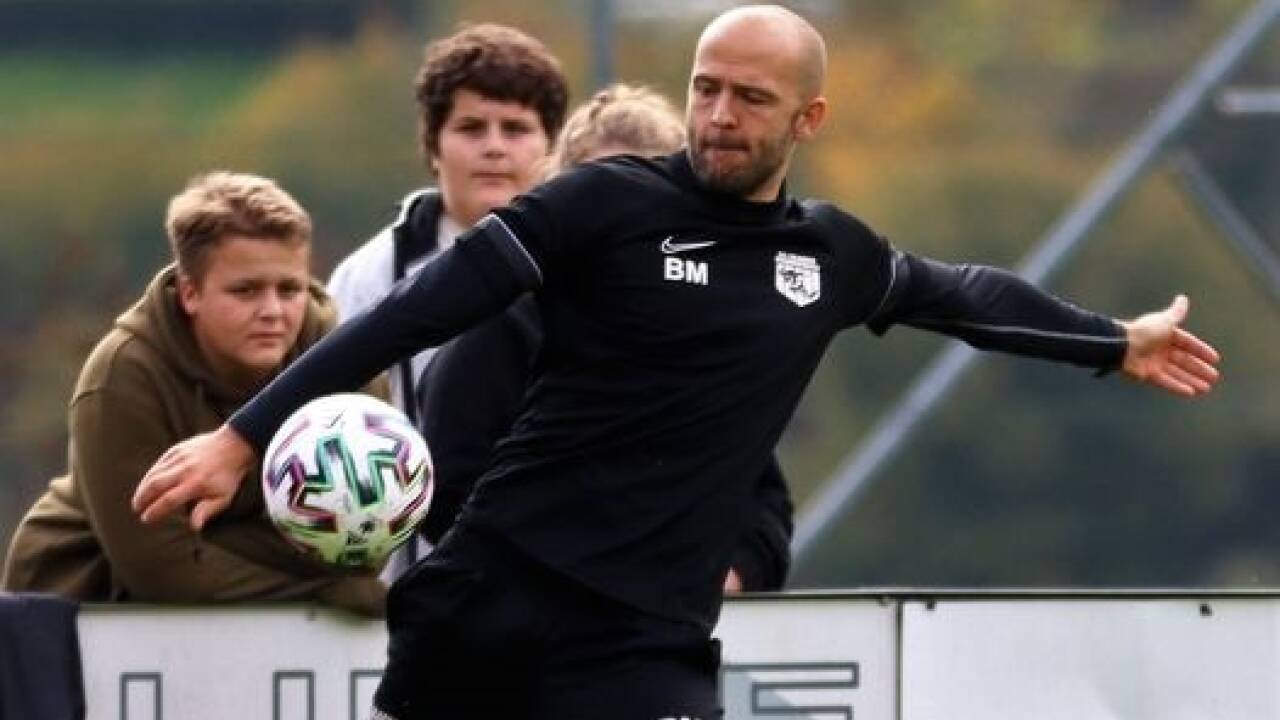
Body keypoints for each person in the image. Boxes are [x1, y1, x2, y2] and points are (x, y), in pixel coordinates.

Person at [133, 7, 1222, 719]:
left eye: (748, 97)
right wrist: (244, 434)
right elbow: (424, 307)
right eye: (705, 86)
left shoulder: (826, 255)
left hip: (642, 644)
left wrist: (1110, 342)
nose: (716, 113)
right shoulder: (602, 203)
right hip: (489, 608)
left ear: (808, 116)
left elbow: (963, 295)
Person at [415, 83, 793, 593]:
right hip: (533, 629)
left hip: (674, 636)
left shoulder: (710, 343)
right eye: (604, 197)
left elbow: (762, 504)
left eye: (649, 198)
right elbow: (447, 489)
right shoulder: (501, 326)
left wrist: (728, 575)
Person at [3, 171, 385, 617]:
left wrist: (206, 543)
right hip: (78, 601)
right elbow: (161, 572)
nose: (273, 312)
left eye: (290, 289)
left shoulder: (338, 358)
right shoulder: (124, 374)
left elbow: (367, 538)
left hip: (232, 603)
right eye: (245, 291)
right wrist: (324, 591)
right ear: (190, 293)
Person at [326, 23, 568, 423]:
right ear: (433, 145)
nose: (494, 147)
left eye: (515, 129)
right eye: (471, 128)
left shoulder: (585, 264)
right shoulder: (367, 276)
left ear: (553, 146)